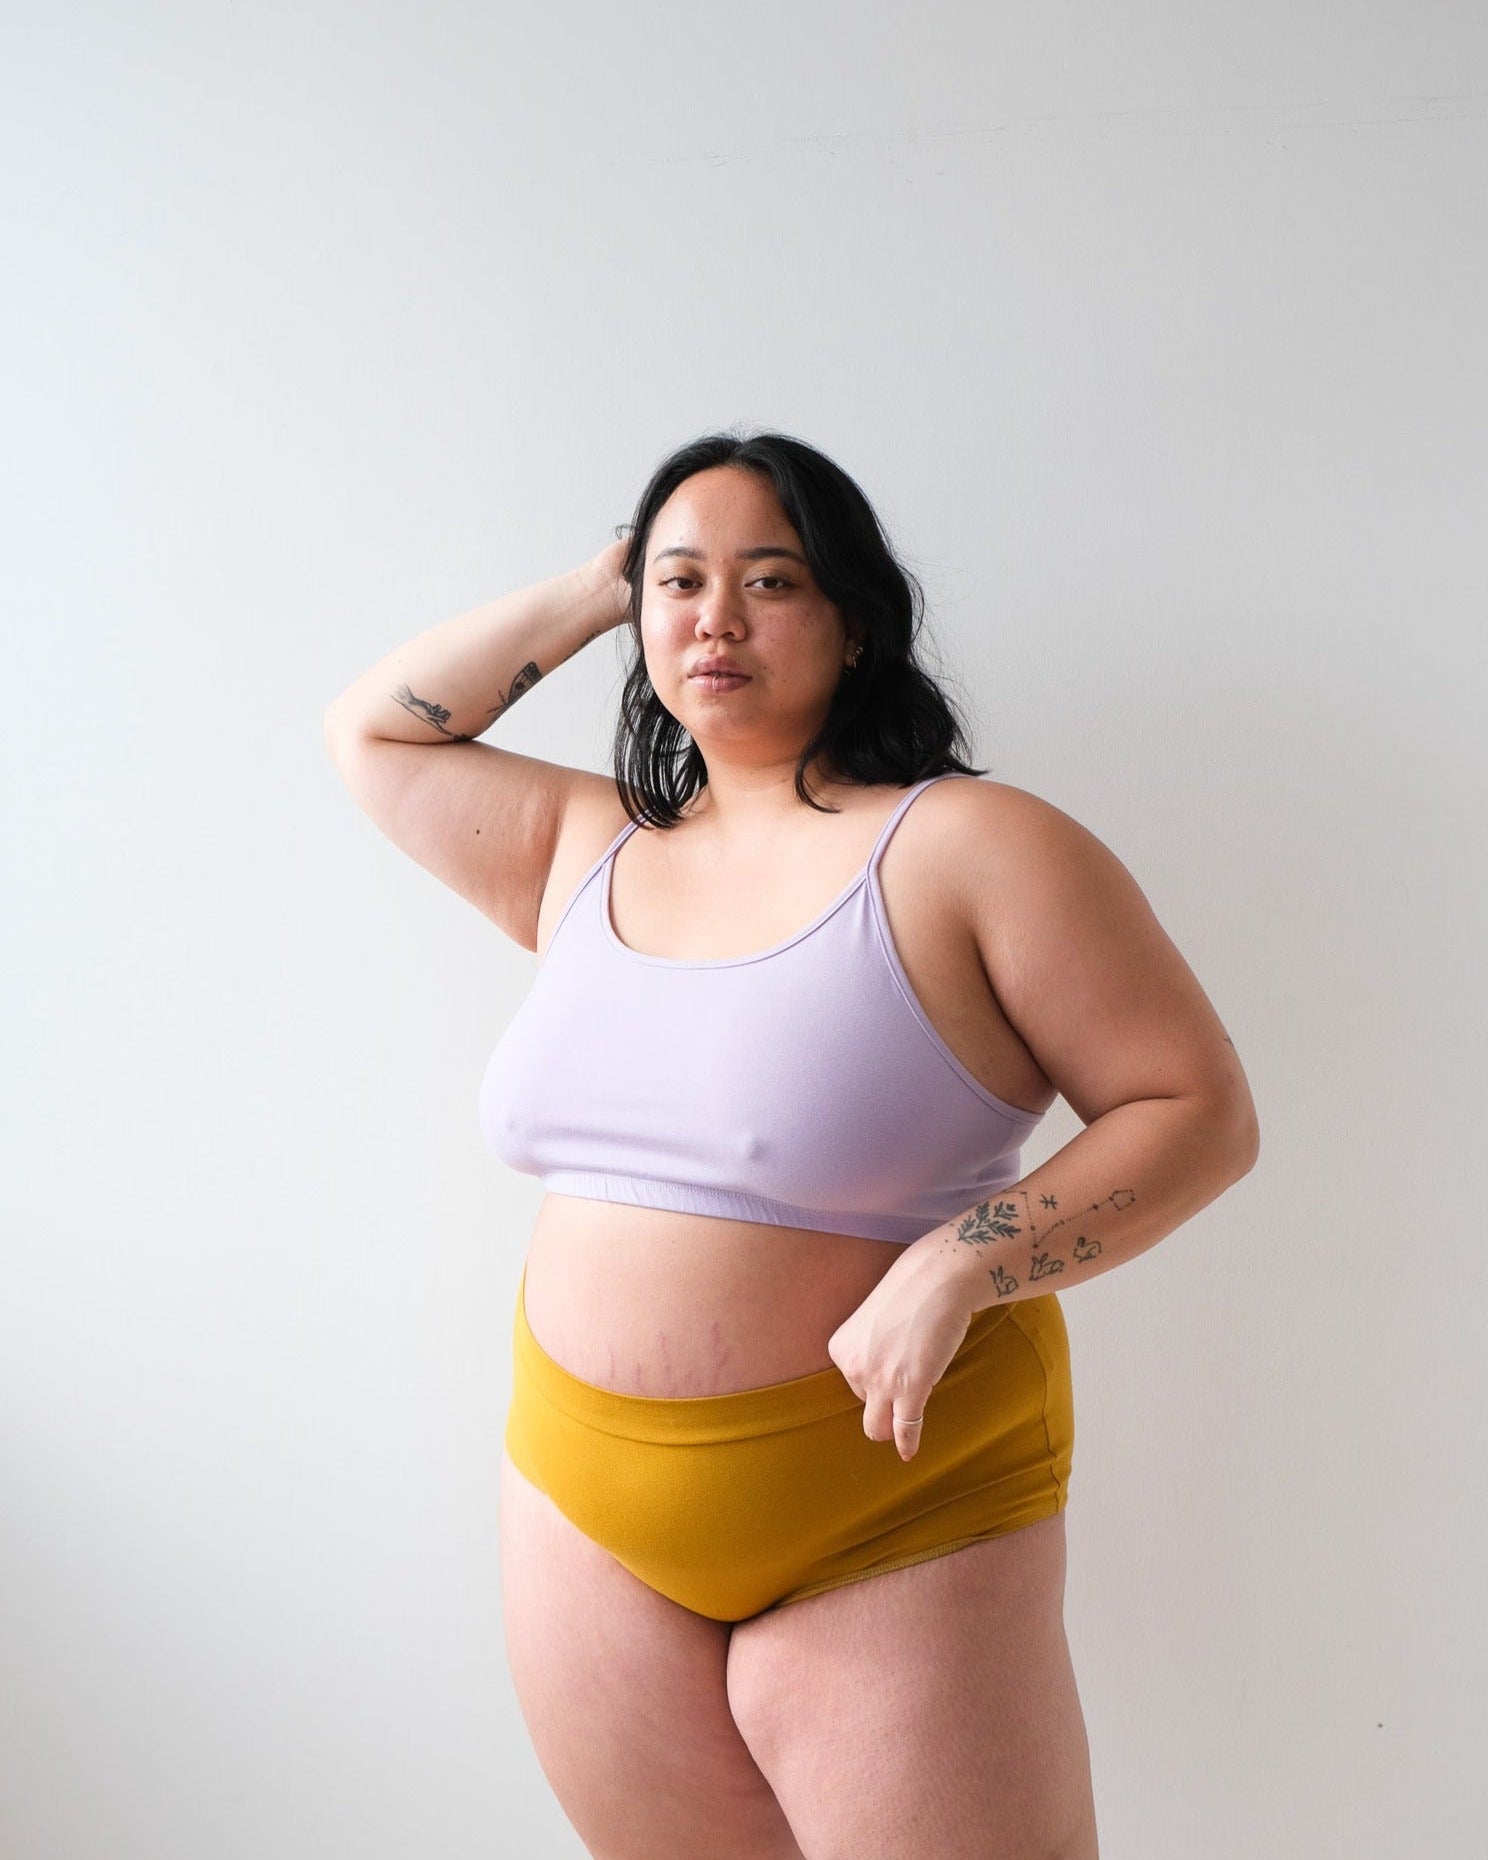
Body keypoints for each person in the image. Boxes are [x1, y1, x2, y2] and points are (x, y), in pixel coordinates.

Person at [323, 429, 1260, 1860]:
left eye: (771, 581)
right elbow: (377, 735)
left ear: (855, 622)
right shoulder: (584, 844)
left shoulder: (971, 845)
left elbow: (1195, 1110)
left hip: (892, 1499)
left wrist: (961, 1262)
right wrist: (607, 583)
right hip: (581, 1500)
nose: (718, 619)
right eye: (683, 585)